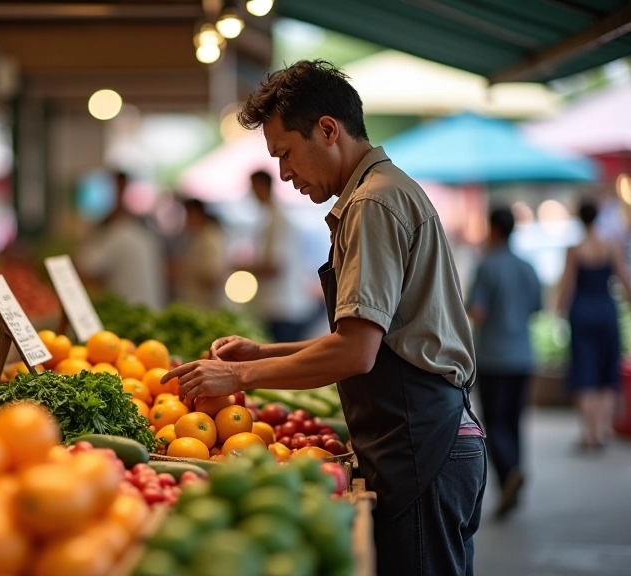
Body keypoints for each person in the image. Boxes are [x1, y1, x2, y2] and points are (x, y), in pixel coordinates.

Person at [163, 60, 485, 576]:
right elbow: (362, 336)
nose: (285, 174)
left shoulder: (373, 204)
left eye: (286, 154)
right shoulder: (377, 192)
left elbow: (356, 354)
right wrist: (262, 352)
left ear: (328, 130)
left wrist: (240, 374)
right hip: (420, 437)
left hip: (422, 442)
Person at [466, 206, 541, 520]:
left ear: (493, 229)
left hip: (494, 357)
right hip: (523, 355)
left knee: (495, 422)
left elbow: (478, 313)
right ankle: (516, 473)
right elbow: (537, 308)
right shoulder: (527, 267)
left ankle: (509, 473)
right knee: (513, 421)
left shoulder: (487, 265)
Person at [556, 199, 631, 450]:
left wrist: (558, 312)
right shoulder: (611, 246)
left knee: (584, 372)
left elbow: (567, 285)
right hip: (606, 311)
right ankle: (601, 431)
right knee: (607, 372)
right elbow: (623, 279)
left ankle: (589, 434)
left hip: (582, 312)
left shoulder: (575, 249)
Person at [247, 171, 325, 342]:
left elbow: (275, 266)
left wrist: (243, 267)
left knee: (280, 359)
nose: (251, 193)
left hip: (283, 306)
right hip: (279, 305)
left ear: (263, 186)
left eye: (253, 188)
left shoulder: (278, 220)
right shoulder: (271, 218)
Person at [76, 171, 166, 310]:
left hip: (129, 311)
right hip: (148, 309)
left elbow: (85, 267)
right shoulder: (144, 234)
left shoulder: (119, 235)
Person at [173, 198, 228, 309]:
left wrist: (186, 271)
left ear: (196, 214)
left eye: (187, 216)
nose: (185, 221)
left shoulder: (210, 239)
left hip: (206, 308)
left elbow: (213, 278)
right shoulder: (199, 237)